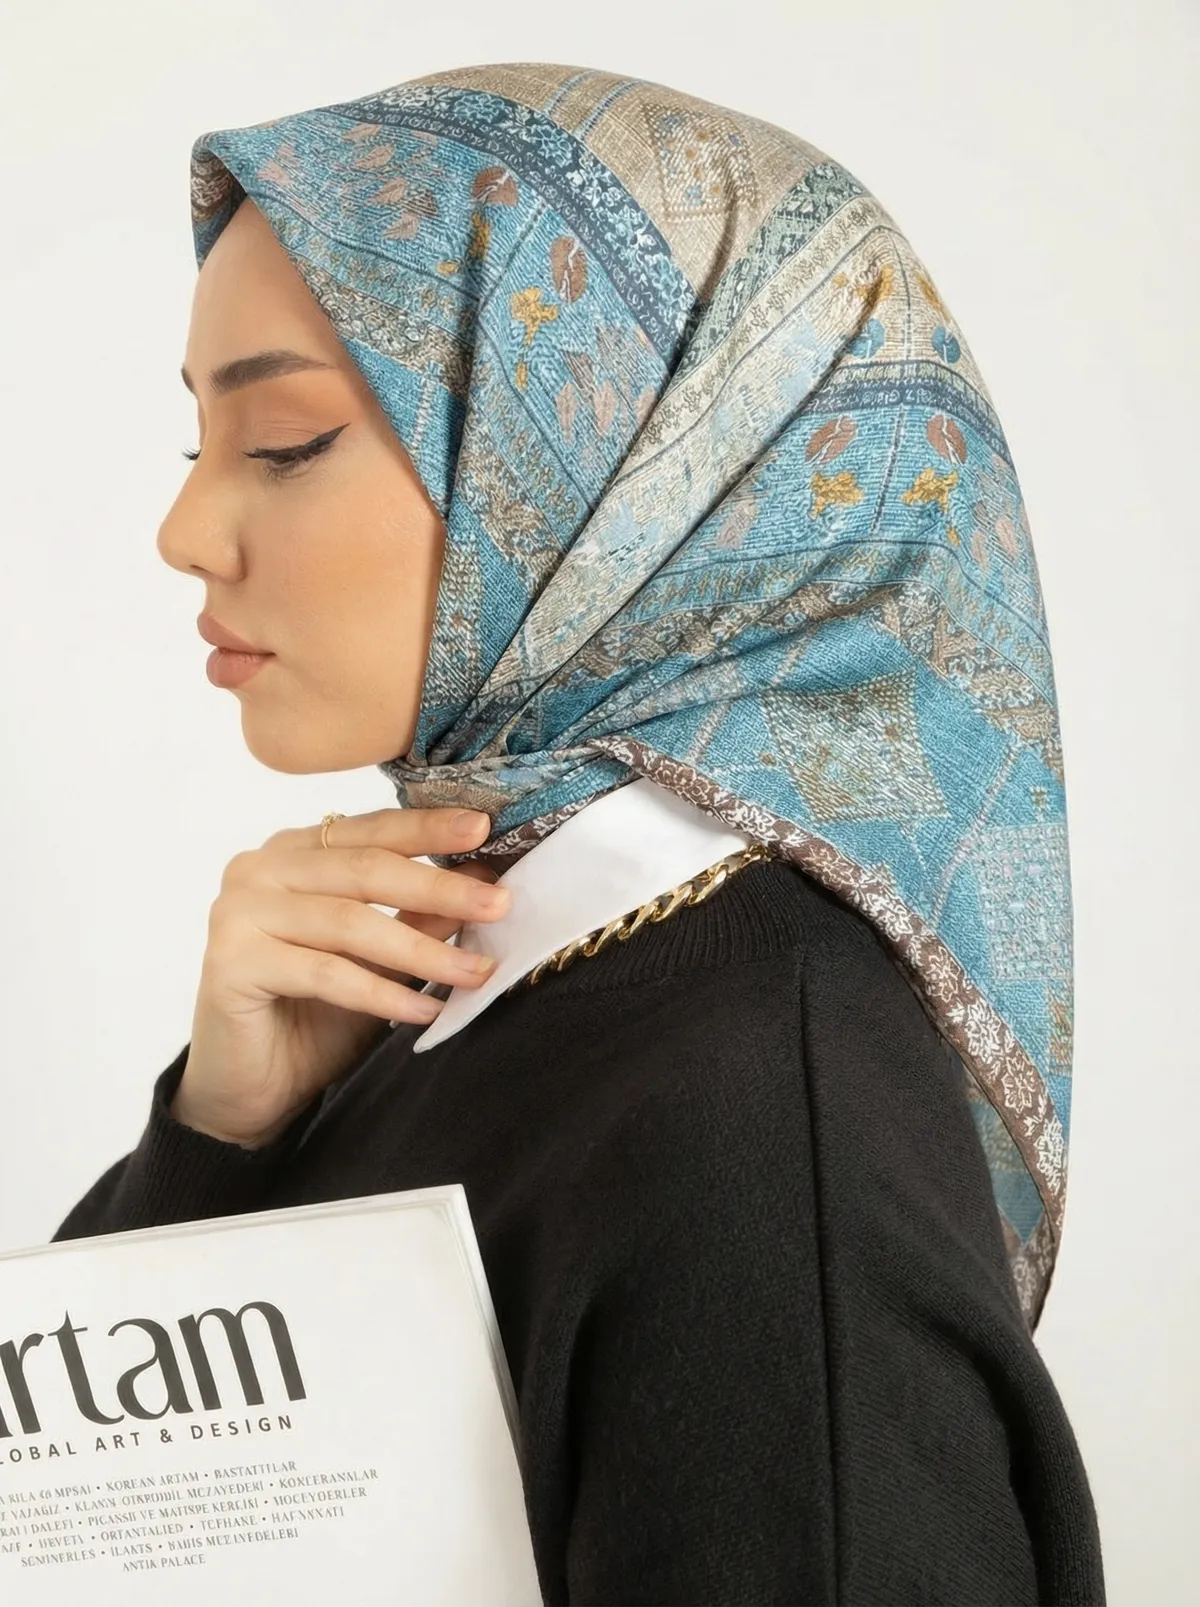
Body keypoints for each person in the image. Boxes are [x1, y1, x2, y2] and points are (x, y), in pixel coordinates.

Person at [51, 61, 1107, 1605]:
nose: (184, 529)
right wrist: (221, 1135)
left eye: (282, 441)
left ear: (626, 468)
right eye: (194, 444)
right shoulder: (469, 976)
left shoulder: (760, 1112)